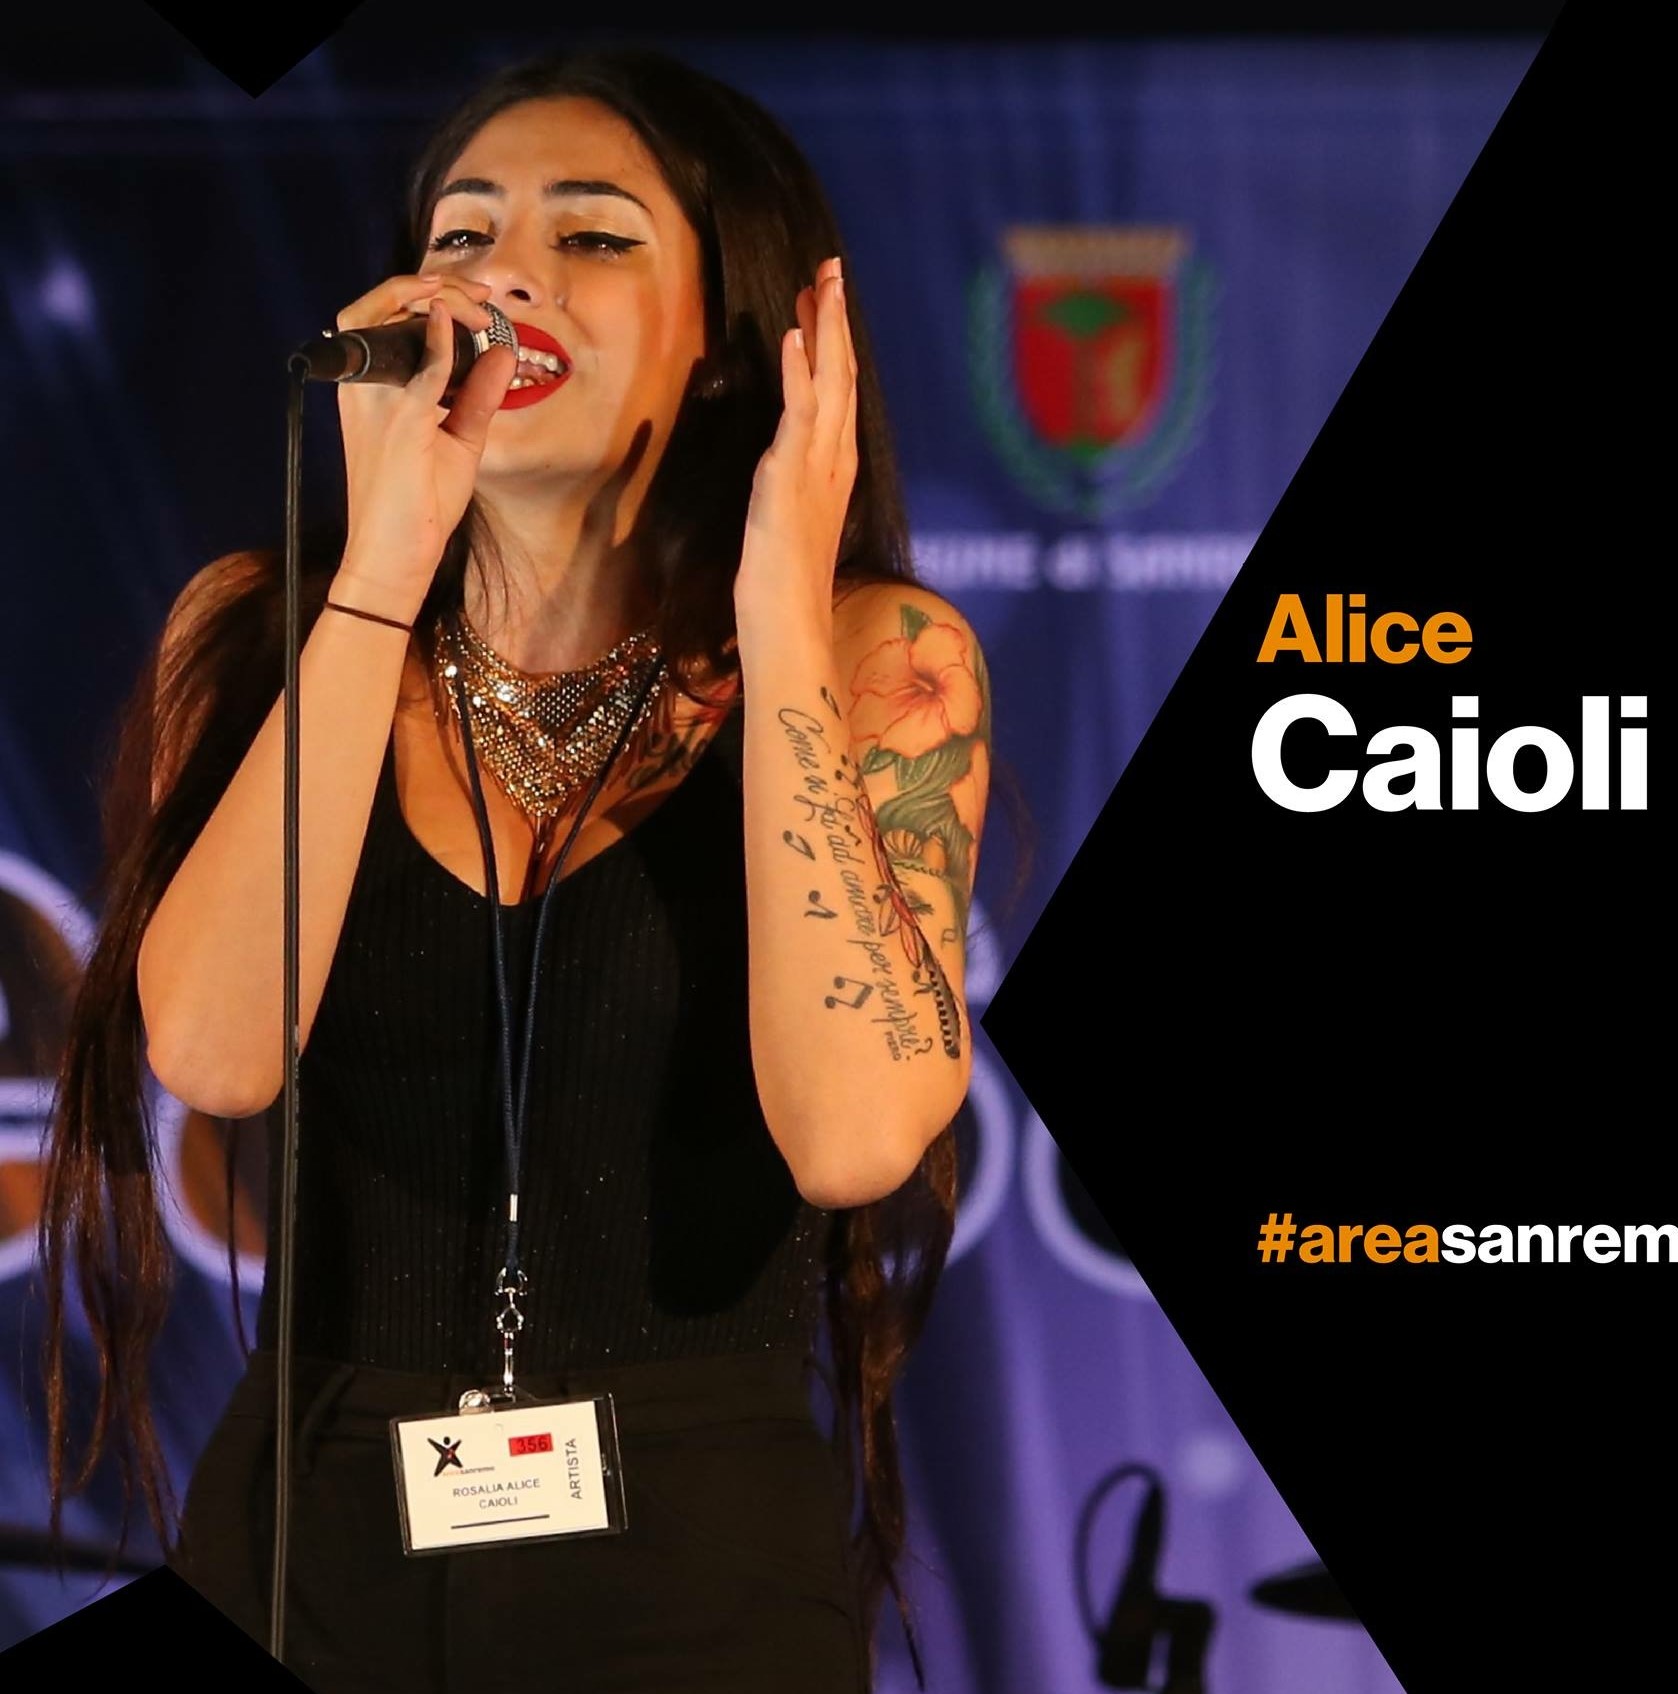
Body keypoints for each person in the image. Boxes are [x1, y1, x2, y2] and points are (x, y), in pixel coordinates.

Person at [40, 45, 990, 1694]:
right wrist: (385, 557)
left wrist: (775, 608)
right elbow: (212, 1050)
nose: (507, 278)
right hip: (311, 1529)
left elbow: (852, 1137)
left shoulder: (872, 656)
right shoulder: (260, 628)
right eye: (464, 235)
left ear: (725, 341)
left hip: (694, 1564)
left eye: (593, 235)